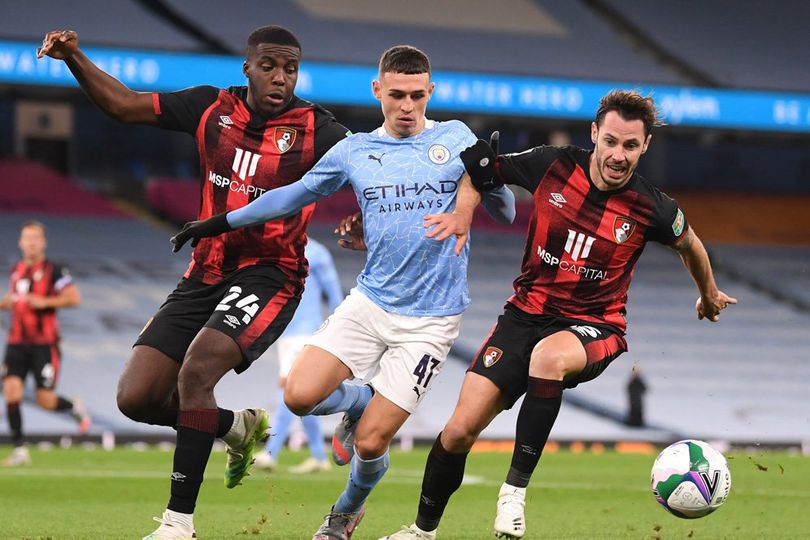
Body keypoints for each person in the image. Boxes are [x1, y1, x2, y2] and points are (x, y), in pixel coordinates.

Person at [171, 45, 516, 540]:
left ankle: (343, 513)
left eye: (417, 96)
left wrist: (489, 177)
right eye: (396, 94)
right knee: (297, 396)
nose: (406, 106)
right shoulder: (356, 151)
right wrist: (217, 222)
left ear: (430, 93)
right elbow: (292, 195)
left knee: (373, 443)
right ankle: (357, 402)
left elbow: (503, 211)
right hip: (370, 302)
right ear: (377, 90)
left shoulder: (455, 138)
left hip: (431, 320)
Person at [37, 26, 351, 539]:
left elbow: (370, 162)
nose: (280, 78)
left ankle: (178, 523)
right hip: (206, 269)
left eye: (290, 69)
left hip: (272, 272)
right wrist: (74, 57)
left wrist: (363, 216)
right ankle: (234, 426)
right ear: (247, 68)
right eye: (269, 66)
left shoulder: (317, 128)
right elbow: (122, 105)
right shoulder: (210, 108)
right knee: (136, 398)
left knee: (197, 371)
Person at [381, 90, 738, 540]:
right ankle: (422, 532)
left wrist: (707, 295)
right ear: (594, 134)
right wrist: (464, 211)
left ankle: (513, 495)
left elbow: (691, 245)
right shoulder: (552, 164)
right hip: (524, 315)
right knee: (457, 432)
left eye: (630, 146)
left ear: (645, 146)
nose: (618, 155)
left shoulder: (654, 208)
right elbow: (479, 169)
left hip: (595, 325)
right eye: (610, 141)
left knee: (548, 358)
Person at [1, 221, 89, 467]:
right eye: (26, 237)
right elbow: (14, 298)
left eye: (35, 238)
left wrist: (45, 301)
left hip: (44, 345)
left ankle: (72, 406)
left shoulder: (55, 270)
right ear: (20, 242)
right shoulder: (16, 269)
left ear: (43, 243)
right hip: (16, 343)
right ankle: (20, 450)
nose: (31, 242)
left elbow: (73, 298)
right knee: (11, 390)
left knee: (45, 400)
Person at [253, 238, 344, 473]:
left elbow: (335, 296)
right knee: (300, 394)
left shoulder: (316, 252)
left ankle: (271, 452)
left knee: (288, 390)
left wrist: (340, 331)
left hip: (304, 332)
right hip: (284, 332)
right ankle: (318, 456)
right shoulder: (277, 248)